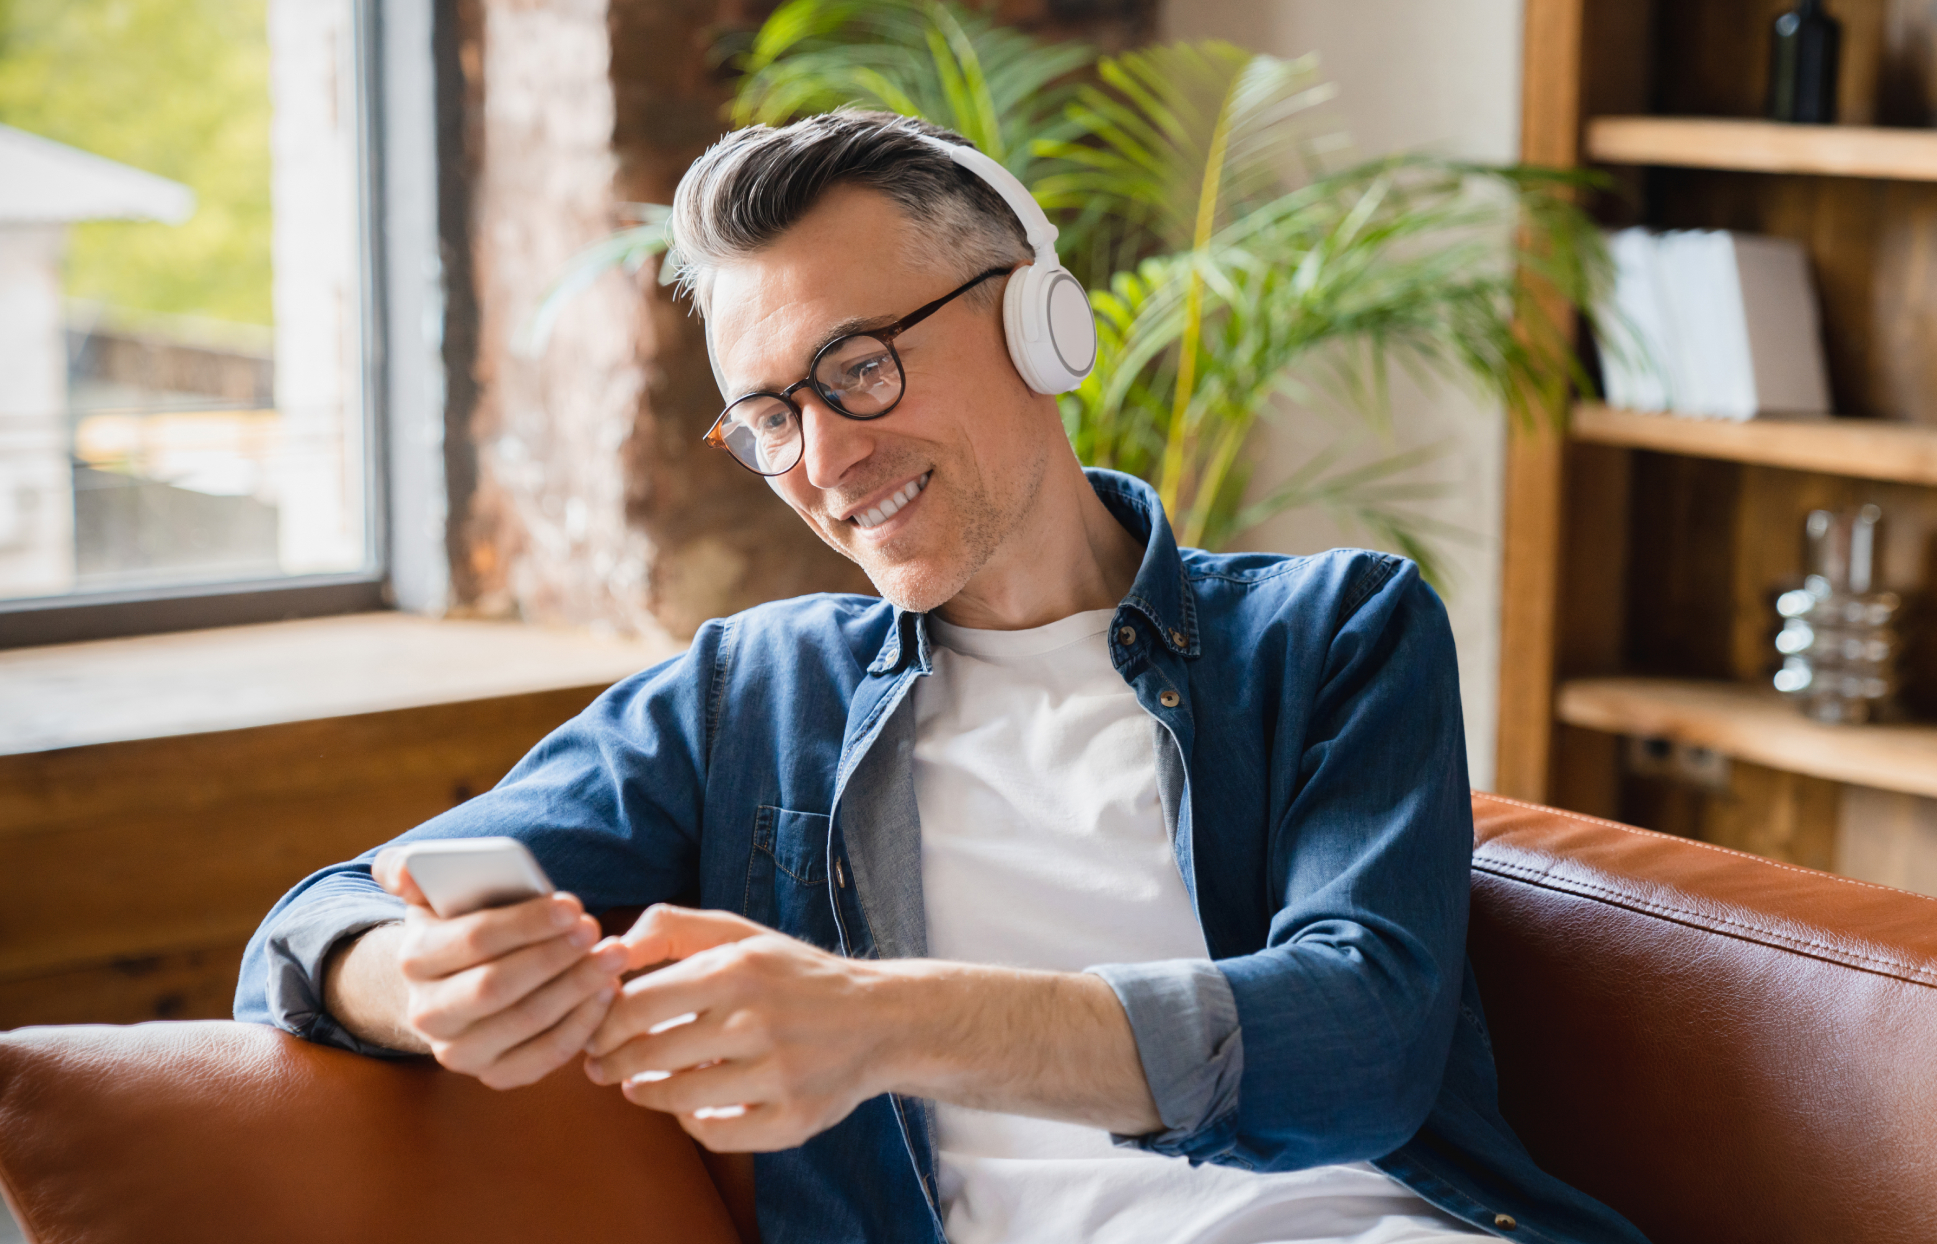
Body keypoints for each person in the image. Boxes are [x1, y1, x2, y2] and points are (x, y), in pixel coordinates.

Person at [236, 111, 1648, 1244]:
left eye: (855, 370)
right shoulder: (751, 693)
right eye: (769, 415)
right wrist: (413, 981)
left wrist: (872, 1023)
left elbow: (1364, 1041)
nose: (825, 461)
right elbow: (317, 923)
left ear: (1040, 321)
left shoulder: (1332, 630)